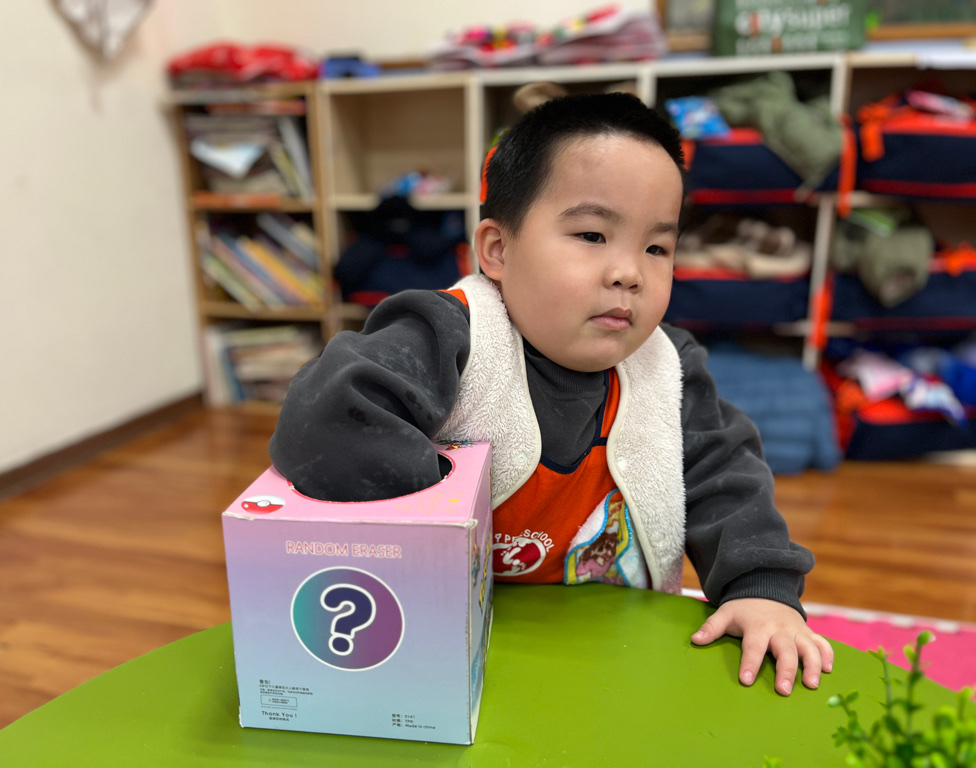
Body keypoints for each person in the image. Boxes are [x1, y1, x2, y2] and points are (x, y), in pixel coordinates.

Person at [270, 92, 834, 696]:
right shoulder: (450, 335)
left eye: (656, 248)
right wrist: (445, 508)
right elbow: (327, 415)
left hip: (616, 653)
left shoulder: (668, 367)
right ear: (497, 250)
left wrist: (759, 588)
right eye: (592, 234)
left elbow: (726, 477)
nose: (628, 273)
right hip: (457, 651)